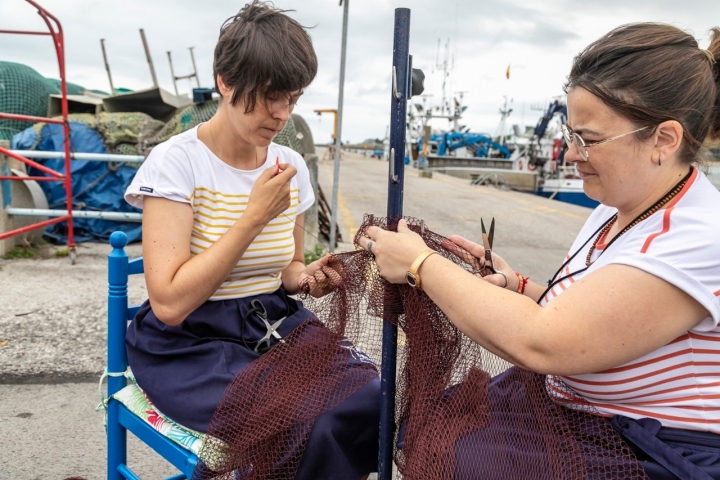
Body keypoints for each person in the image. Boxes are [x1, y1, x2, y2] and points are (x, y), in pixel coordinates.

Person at [359, 23, 720, 478]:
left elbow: (544, 342)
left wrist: (420, 264)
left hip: (650, 445)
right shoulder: (624, 203)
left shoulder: (698, 235)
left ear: (664, 140)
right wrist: (522, 286)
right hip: (584, 414)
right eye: (571, 135)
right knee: (438, 431)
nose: (571, 155)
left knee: (460, 455)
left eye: (587, 140)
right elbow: (605, 309)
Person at [123, 2, 379, 478]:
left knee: (368, 395)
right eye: (269, 97)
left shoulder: (290, 166)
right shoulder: (176, 163)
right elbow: (170, 304)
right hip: (191, 344)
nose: (282, 113)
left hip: (269, 325)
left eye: (294, 99)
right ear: (225, 80)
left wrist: (309, 280)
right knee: (298, 419)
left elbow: (287, 270)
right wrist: (251, 219)